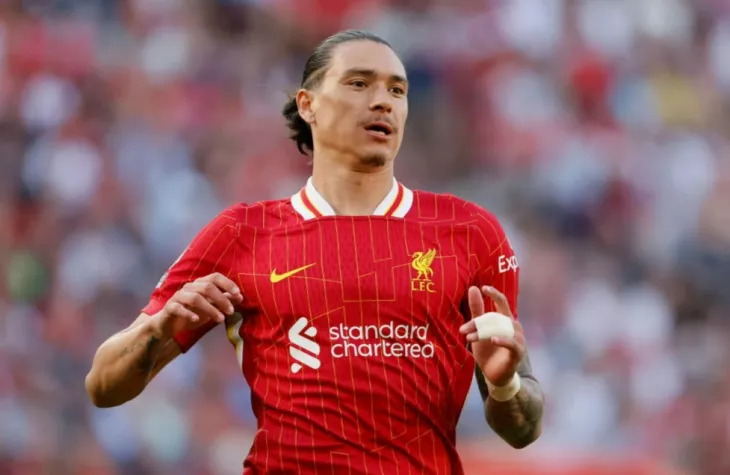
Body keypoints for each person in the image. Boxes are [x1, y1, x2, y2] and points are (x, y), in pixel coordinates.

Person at [85, 29, 545, 474]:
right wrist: (161, 327)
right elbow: (103, 385)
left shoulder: (469, 233)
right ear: (308, 104)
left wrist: (504, 385)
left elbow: (524, 430)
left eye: (397, 90)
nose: (383, 101)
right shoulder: (243, 233)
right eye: (359, 83)